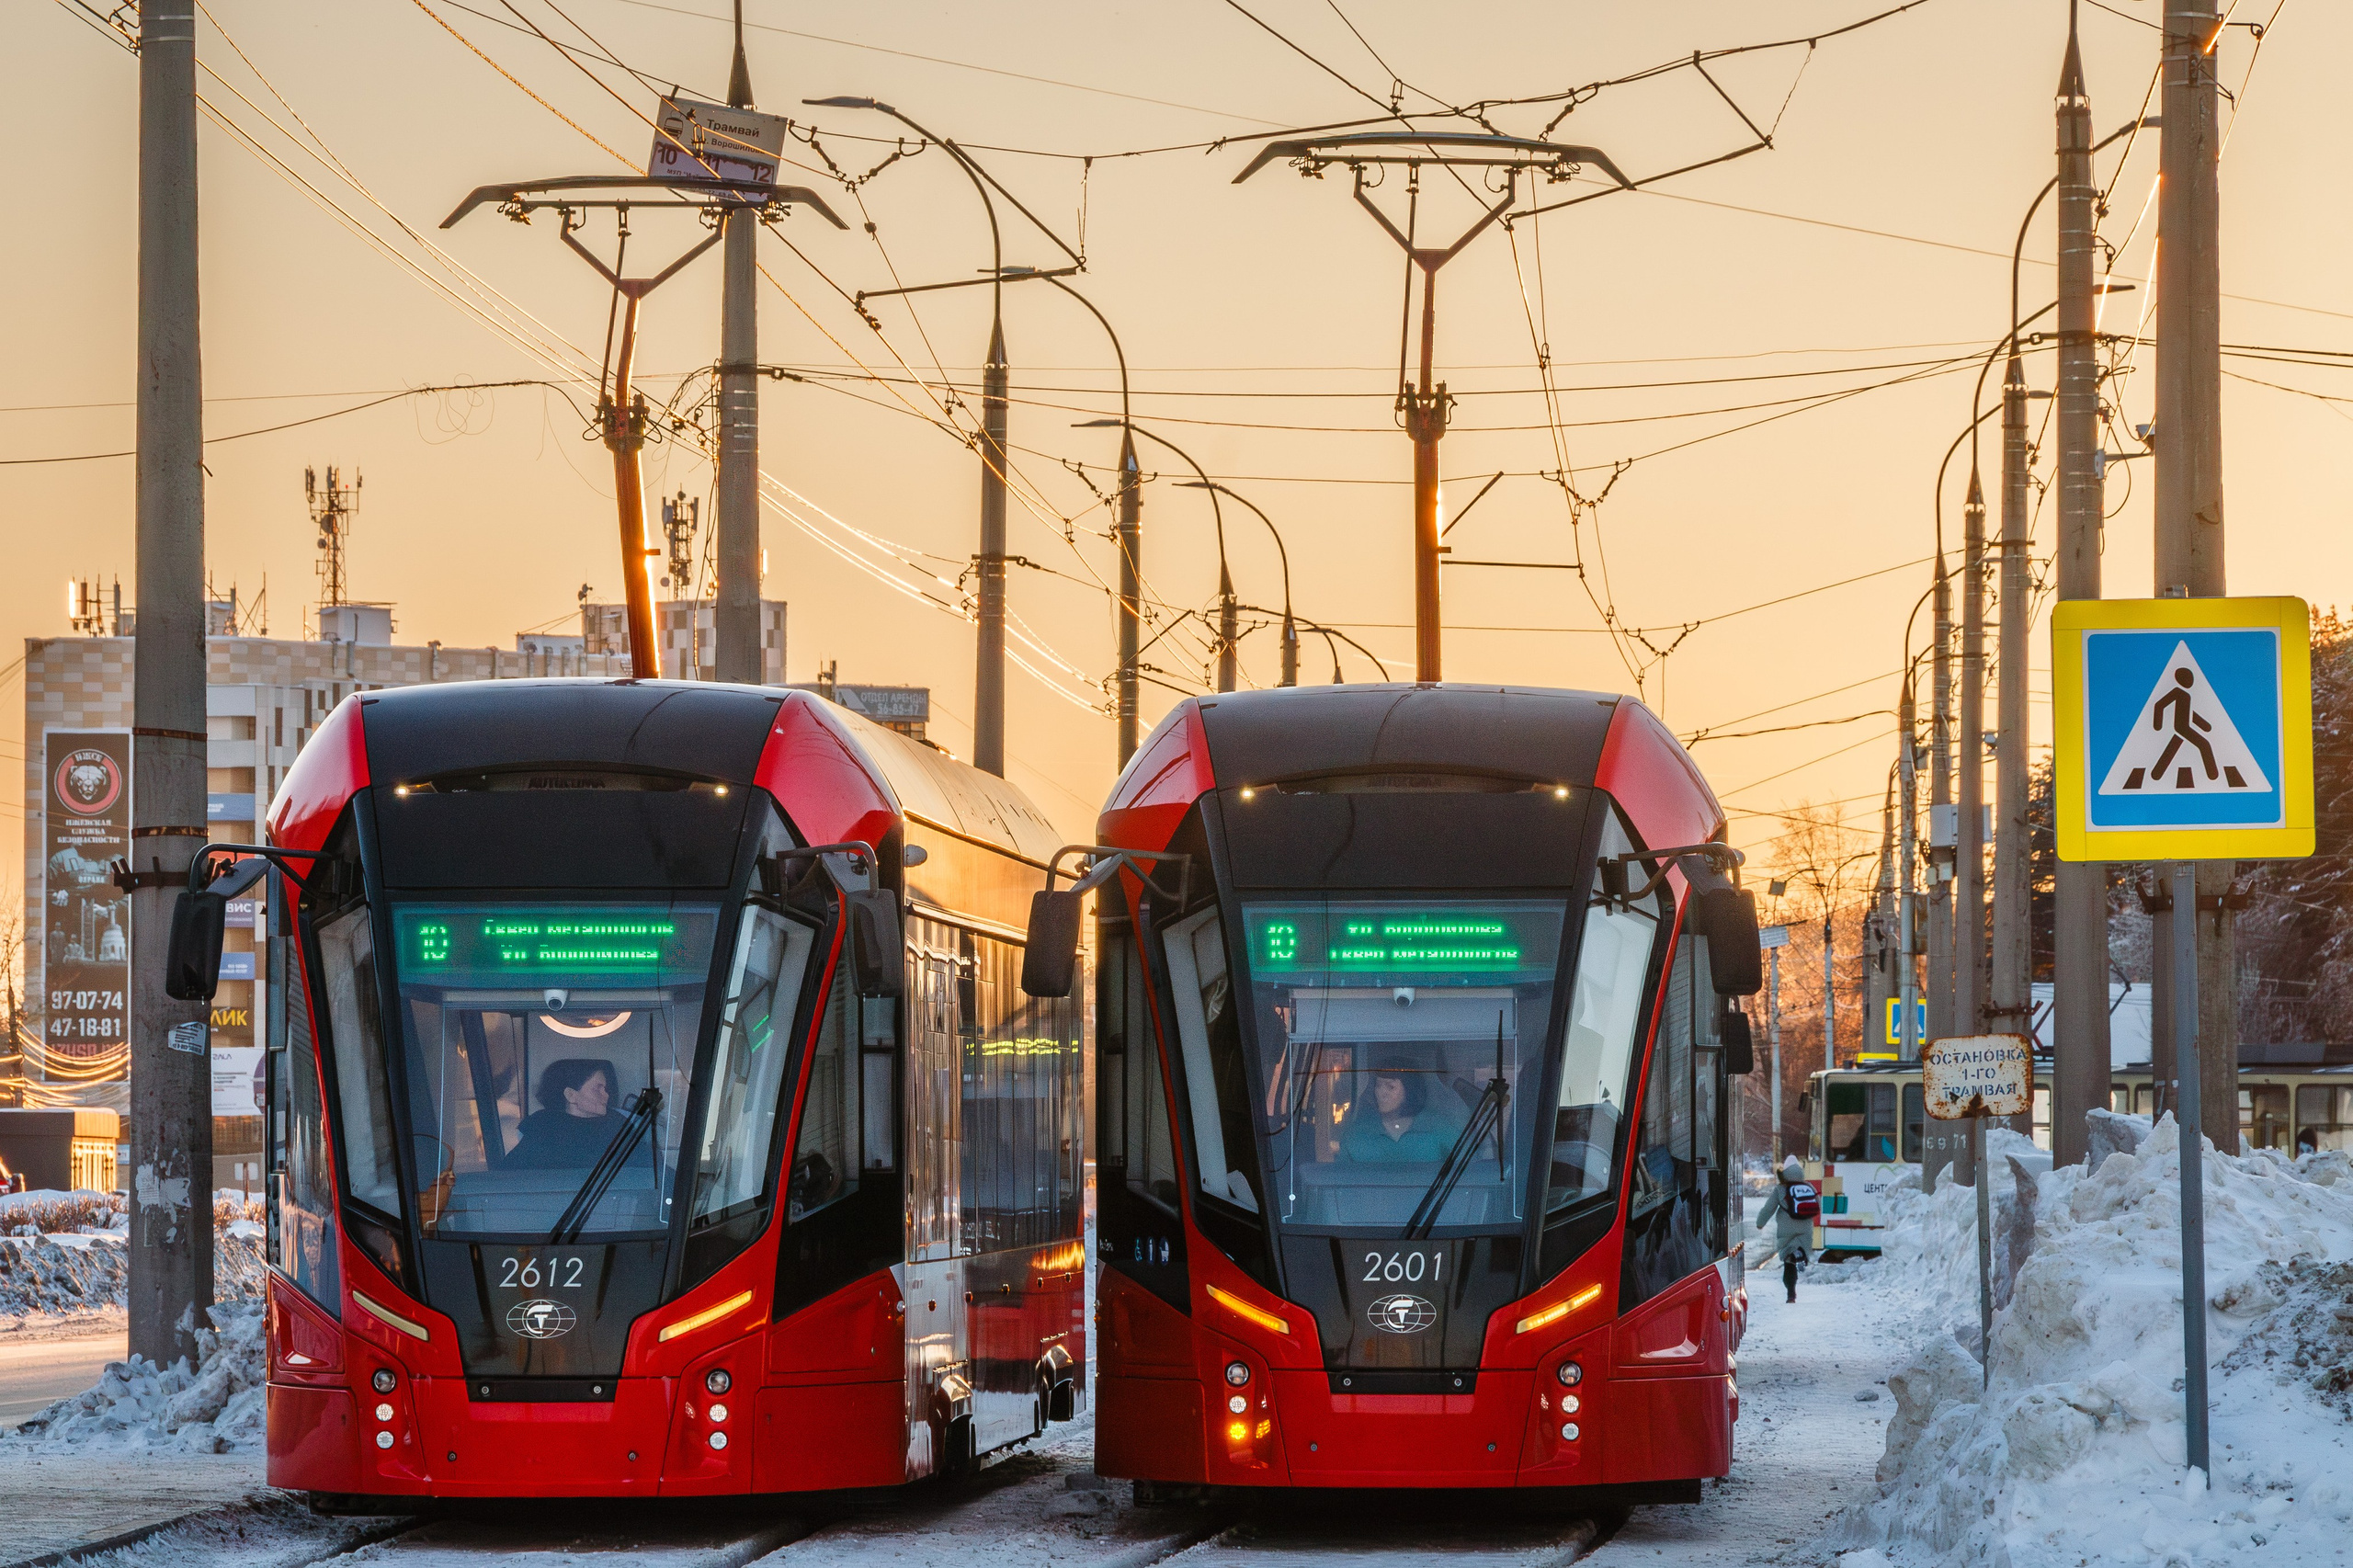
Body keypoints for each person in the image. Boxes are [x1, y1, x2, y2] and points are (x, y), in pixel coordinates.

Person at [1341, 1059, 1470, 1163]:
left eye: (1390, 1087)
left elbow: (1469, 1167)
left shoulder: (1436, 1127)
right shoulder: (1357, 1134)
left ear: (1410, 1090)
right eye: (1378, 1085)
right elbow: (1340, 1180)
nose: (1381, 1093)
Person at [509, 1058, 622, 1168]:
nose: (606, 1095)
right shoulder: (542, 1129)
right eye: (597, 1089)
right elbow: (510, 1177)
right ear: (570, 1095)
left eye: (605, 1088)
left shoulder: (619, 1125)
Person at [1754, 1155, 1813, 1303]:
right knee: (1801, 1250)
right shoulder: (1808, 1187)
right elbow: (1816, 1205)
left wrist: (1760, 1223)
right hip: (1805, 1228)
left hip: (1787, 1230)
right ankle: (1802, 1256)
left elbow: (1769, 1208)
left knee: (1788, 1263)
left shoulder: (1781, 1190)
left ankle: (1791, 1294)